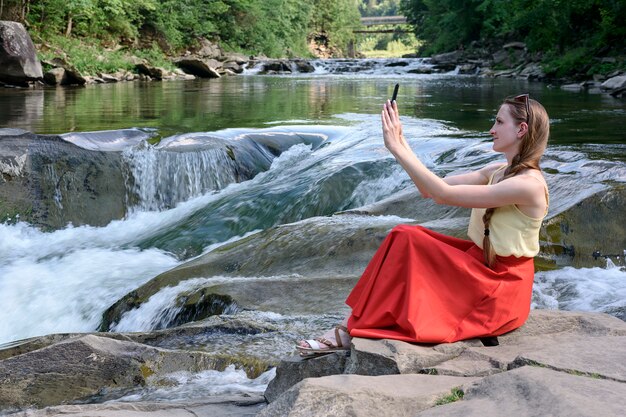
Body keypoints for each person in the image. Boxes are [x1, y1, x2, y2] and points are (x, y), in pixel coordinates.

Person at [297, 94, 550, 356]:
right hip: (480, 268)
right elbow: (428, 188)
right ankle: (353, 323)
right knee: (404, 236)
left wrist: (396, 146)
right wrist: (401, 141)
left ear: (521, 129)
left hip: (500, 287)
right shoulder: (496, 171)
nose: (491, 129)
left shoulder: (528, 185)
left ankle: (351, 327)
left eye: (498, 122)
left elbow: (442, 194)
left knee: (407, 236)